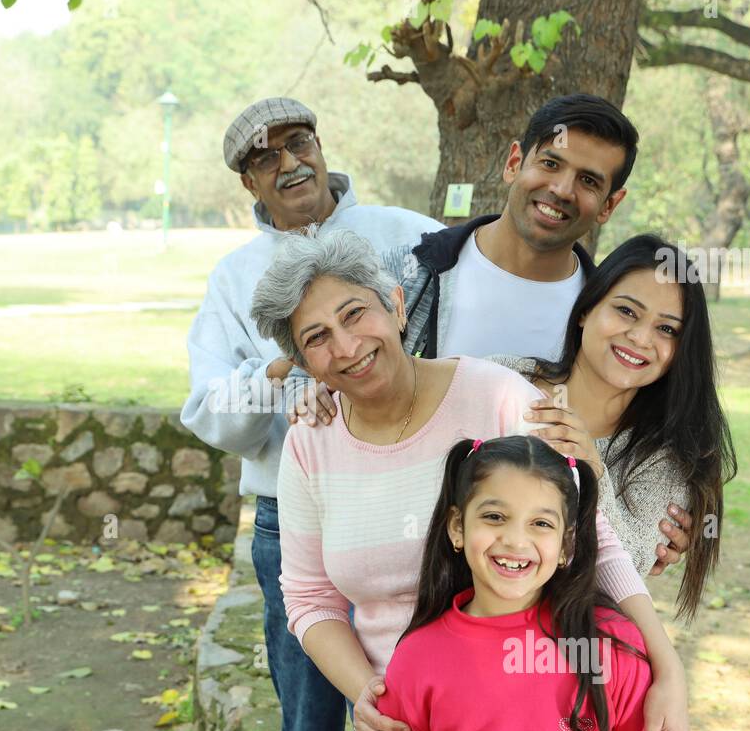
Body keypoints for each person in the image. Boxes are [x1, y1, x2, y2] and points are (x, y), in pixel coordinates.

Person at [251, 229, 689, 731]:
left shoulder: (499, 399)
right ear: (303, 360)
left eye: (355, 314)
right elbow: (309, 599)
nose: (347, 345)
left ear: (397, 305)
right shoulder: (310, 442)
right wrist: (370, 697)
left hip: (532, 717)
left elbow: (593, 541)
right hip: (407, 730)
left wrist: (667, 668)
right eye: (318, 338)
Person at [289, 93, 695, 578]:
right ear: (514, 162)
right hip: (394, 561)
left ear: (609, 205)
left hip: (522, 586)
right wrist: (323, 392)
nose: (562, 189)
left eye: (588, 181)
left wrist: (643, 527)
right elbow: (349, 353)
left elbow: (631, 449)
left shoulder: (611, 315)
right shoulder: (415, 273)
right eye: (550, 163)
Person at [179, 97, 442, 731]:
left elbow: (462, 344)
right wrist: (285, 370)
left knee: (411, 720)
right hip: (290, 524)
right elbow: (208, 412)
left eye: (299, 144)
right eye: (266, 159)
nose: (290, 163)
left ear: (321, 145)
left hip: (410, 508)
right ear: (249, 184)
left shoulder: (410, 238)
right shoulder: (234, 281)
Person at [359, 435, 692, 731]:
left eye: (541, 523)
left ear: (567, 543)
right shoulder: (418, 657)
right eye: (495, 517)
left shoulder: (608, 647)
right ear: (457, 527)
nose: (516, 541)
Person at [488, 234, 737, 609]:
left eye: (667, 329)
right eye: (627, 311)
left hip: (567, 647)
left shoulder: (663, 459)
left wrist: (592, 470)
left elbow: (629, 571)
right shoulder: (502, 380)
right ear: (587, 309)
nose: (639, 337)